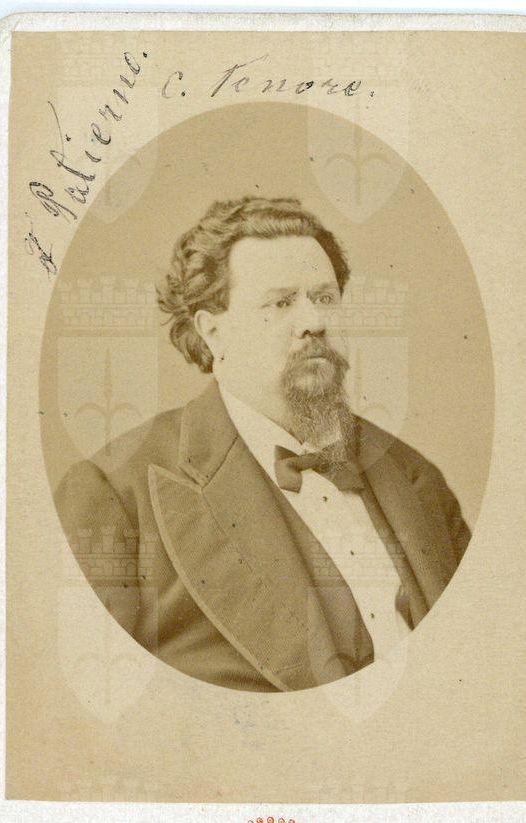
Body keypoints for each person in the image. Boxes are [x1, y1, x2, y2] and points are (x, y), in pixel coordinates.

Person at [55, 195, 470, 693]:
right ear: (213, 331)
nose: (313, 321)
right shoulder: (118, 492)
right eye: (281, 302)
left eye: (324, 298)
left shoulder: (414, 475)